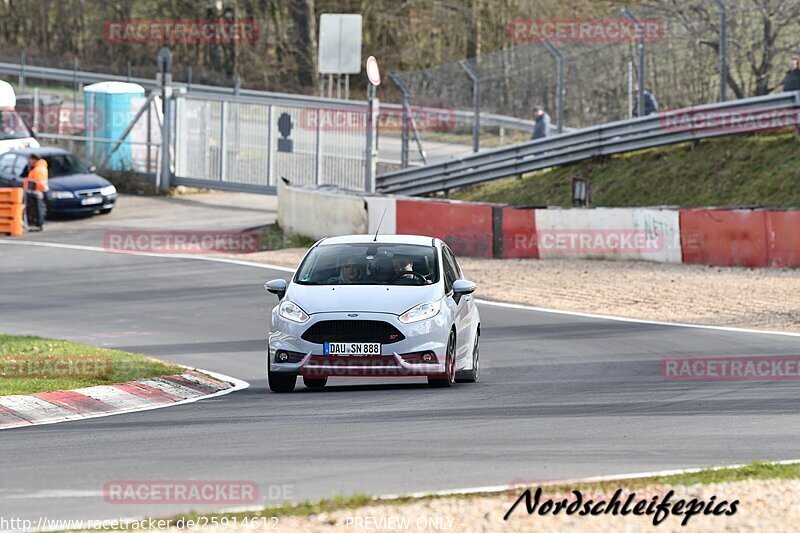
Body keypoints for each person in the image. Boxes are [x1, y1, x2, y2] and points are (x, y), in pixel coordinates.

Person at [22, 154, 48, 231]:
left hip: (36, 192)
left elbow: (37, 182)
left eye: (30, 160)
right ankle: (37, 224)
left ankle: (38, 224)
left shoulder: (38, 169)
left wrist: (30, 190)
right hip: (37, 192)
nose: (28, 161)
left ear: (34, 160)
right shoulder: (38, 167)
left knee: (38, 209)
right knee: (38, 209)